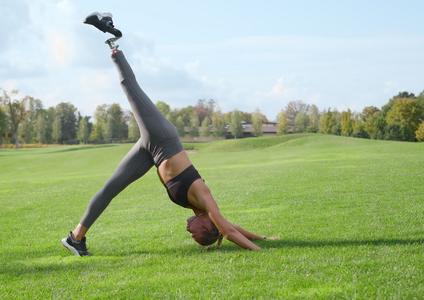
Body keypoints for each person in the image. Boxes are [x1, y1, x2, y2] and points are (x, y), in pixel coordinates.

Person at [62, 12, 280, 256]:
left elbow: (229, 227)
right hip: (163, 138)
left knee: (110, 189)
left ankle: (75, 238)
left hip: (151, 151)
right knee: (131, 87)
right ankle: (113, 39)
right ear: (208, 226)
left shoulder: (203, 212)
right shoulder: (204, 198)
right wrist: (260, 250)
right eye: (195, 233)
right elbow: (228, 233)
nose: (188, 231)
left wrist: (264, 237)